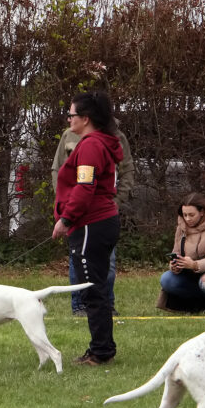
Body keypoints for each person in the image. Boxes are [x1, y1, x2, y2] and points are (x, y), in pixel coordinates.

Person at [52, 91, 122, 366]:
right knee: (97, 287)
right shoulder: (95, 142)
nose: (68, 119)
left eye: (71, 114)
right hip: (98, 222)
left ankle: (101, 351)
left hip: (91, 224)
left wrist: (66, 219)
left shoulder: (91, 146)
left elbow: (85, 186)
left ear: (85, 118)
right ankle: (102, 347)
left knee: (92, 289)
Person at [51, 126, 135, 316]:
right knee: (78, 259)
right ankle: (80, 305)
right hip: (77, 212)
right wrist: (67, 204)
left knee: (107, 261)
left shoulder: (115, 136)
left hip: (102, 214)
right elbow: (58, 170)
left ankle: (105, 305)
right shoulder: (69, 134)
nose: (69, 119)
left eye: (73, 115)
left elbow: (127, 170)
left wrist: (115, 201)